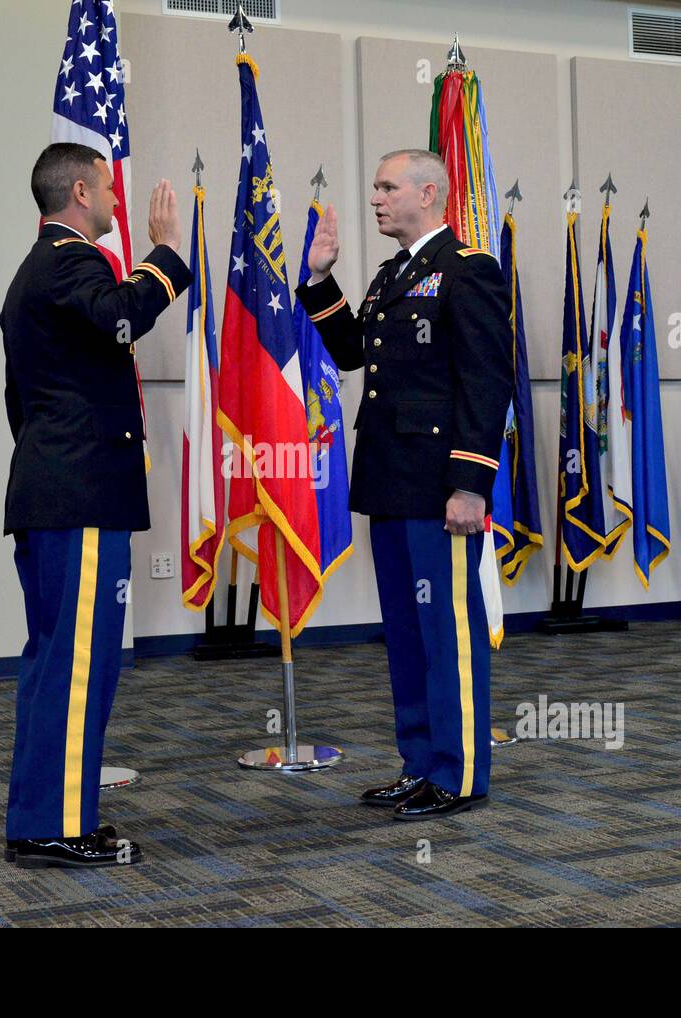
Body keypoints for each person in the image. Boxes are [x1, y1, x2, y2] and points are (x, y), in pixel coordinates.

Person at [294, 149, 514, 819]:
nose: (376, 198)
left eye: (389, 187)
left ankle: (460, 772)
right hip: (391, 481)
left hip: (440, 486)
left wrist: (471, 485)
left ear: (428, 191)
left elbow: (486, 380)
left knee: (449, 632)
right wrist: (321, 281)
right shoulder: (395, 274)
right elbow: (356, 353)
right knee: (410, 633)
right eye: (375, 187)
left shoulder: (469, 270)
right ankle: (420, 763)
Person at [0, 142, 190, 867]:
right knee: (78, 664)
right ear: (80, 191)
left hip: (55, 489)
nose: (116, 200)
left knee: (56, 661)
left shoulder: (32, 272)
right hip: (76, 496)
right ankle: (56, 825)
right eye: (107, 187)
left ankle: (48, 815)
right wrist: (166, 255)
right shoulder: (69, 261)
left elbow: (21, 400)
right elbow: (121, 314)